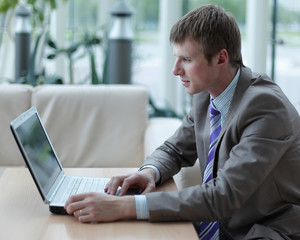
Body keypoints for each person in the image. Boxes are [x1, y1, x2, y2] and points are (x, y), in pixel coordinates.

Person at [65, 4, 300, 239]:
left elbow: (224, 195)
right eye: (176, 58)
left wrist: (126, 206)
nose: (175, 70)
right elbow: (175, 149)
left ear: (221, 57)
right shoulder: (206, 94)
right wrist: (149, 172)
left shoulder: (266, 107)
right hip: (220, 223)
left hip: (265, 232)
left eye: (186, 59)